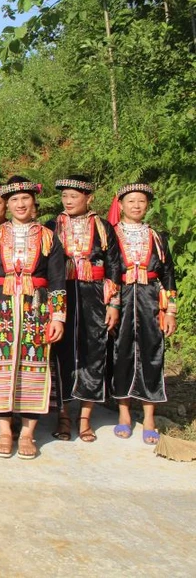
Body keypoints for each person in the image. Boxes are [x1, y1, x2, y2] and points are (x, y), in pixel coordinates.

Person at [0, 177, 66, 460]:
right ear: (7, 205)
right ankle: (4, 431)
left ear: (34, 202)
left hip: (36, 309)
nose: (20, 204)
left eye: (25, 198)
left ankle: (27, 433)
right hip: (1, 307)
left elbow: (58, 279)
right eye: (14, 200)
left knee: (33, 366)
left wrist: (58, 316)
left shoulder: (49, 237)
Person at [46, 177, 121, 442]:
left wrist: (112, 303)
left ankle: (85, 418)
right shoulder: (51, 226)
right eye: (65, 196)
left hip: (94, 296)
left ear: (88, 198)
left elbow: (113, 265)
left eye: (74, 196)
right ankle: (63, 416)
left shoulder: (103, 227)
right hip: (62, 294)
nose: (68, 201)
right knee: (61, 352)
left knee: (94, 351)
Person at [111, 183, 176, 444]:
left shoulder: (157, 237)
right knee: (120, 352)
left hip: (150, 298)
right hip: (122, 298)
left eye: (141, 201)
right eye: (131, 201)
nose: (136, 206)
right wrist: (112, 304)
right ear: (121, 205)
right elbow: (109, 271)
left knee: (152, 353)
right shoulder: (111, 234)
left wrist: (170, 310)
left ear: (147, 205)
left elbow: (168, 274)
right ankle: (124, 413)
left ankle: (149, 416)